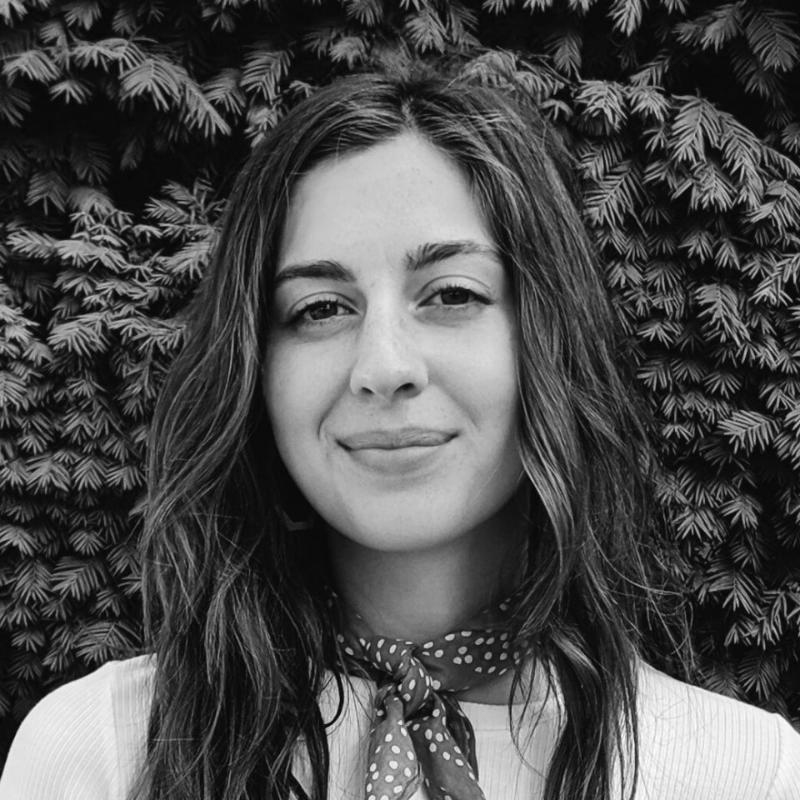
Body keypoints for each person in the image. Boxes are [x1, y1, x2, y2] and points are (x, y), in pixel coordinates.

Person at [1, 64, 799, 800]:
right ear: (255, 371)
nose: (382, 366)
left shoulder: (744, 773)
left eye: (451, 294)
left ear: (553, 338)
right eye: (320, 309)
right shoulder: (101, 753)